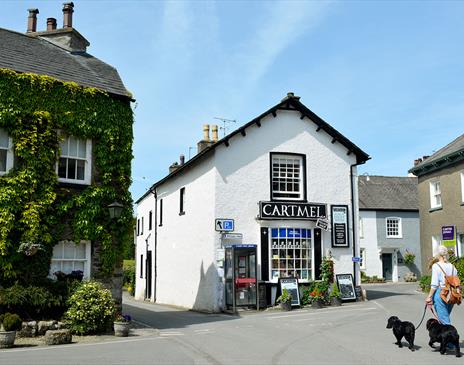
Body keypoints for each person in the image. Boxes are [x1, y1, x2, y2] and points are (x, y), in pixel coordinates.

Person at [425, 245, 457, 325]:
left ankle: (451, 336)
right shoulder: (452, 266)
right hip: (451, 294)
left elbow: (434, 285)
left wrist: (429, 297)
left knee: (444, 321)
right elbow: (456, 281)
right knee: (444, 317)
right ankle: (444, 336)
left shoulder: (436, 266)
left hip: (441, 293)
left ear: (437, 254)